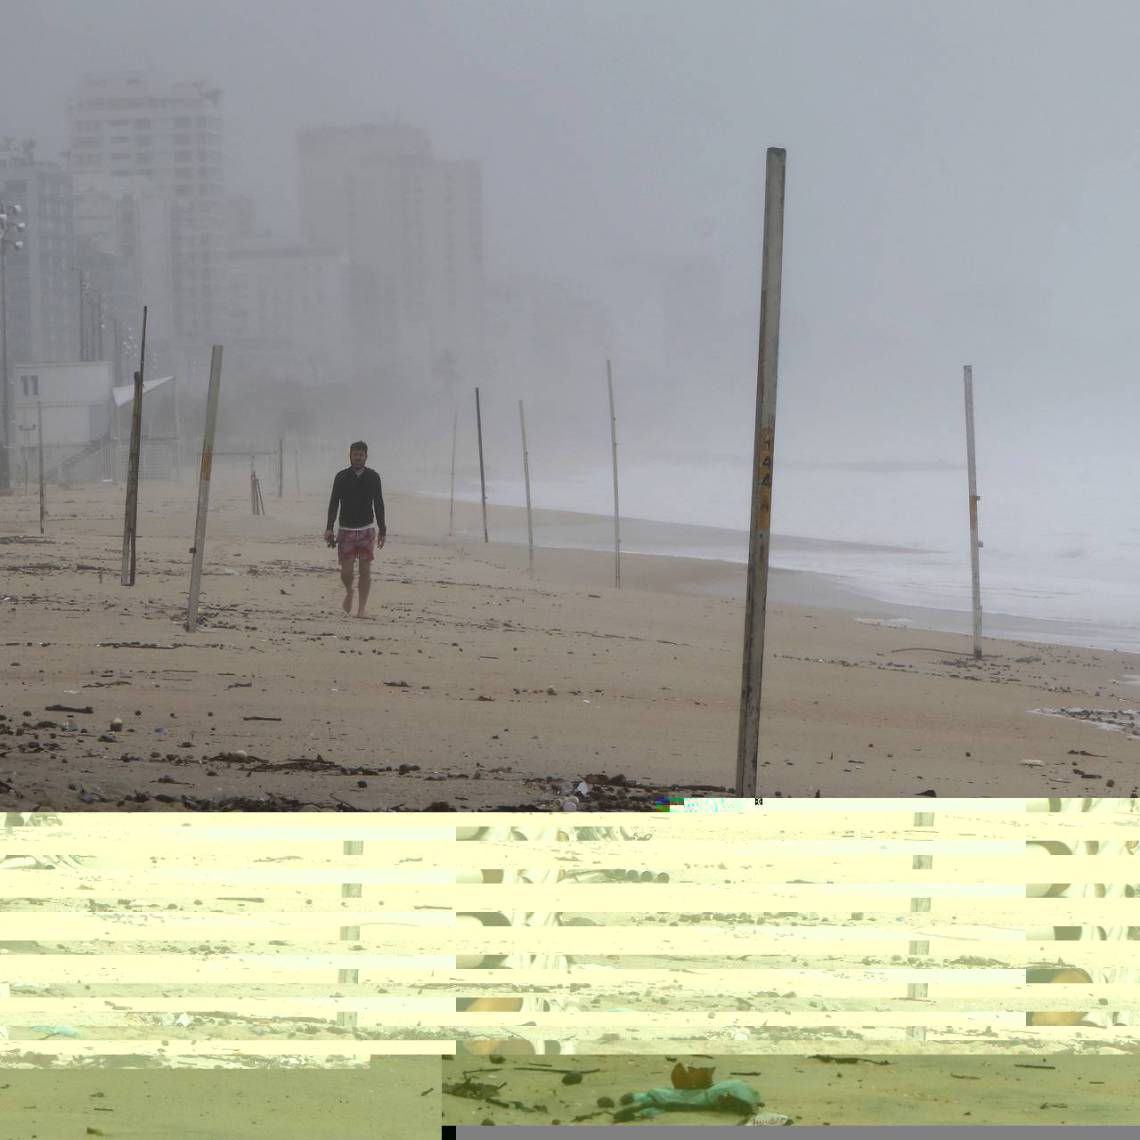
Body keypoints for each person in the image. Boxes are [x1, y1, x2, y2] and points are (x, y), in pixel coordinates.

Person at [324, 440, 386, 617]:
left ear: (366, 457)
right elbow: (334, 503)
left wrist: (382, 529)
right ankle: (349, 591)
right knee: (346, 572)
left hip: (367, 529)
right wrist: (329, 527)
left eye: (361, 455)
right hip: (346, 530)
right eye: (355, 454)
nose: (358, 458)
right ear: (350, 456)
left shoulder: (373, 477)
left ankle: (361, 608)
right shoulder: (341, 477)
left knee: (365, 570)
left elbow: (379, 504)